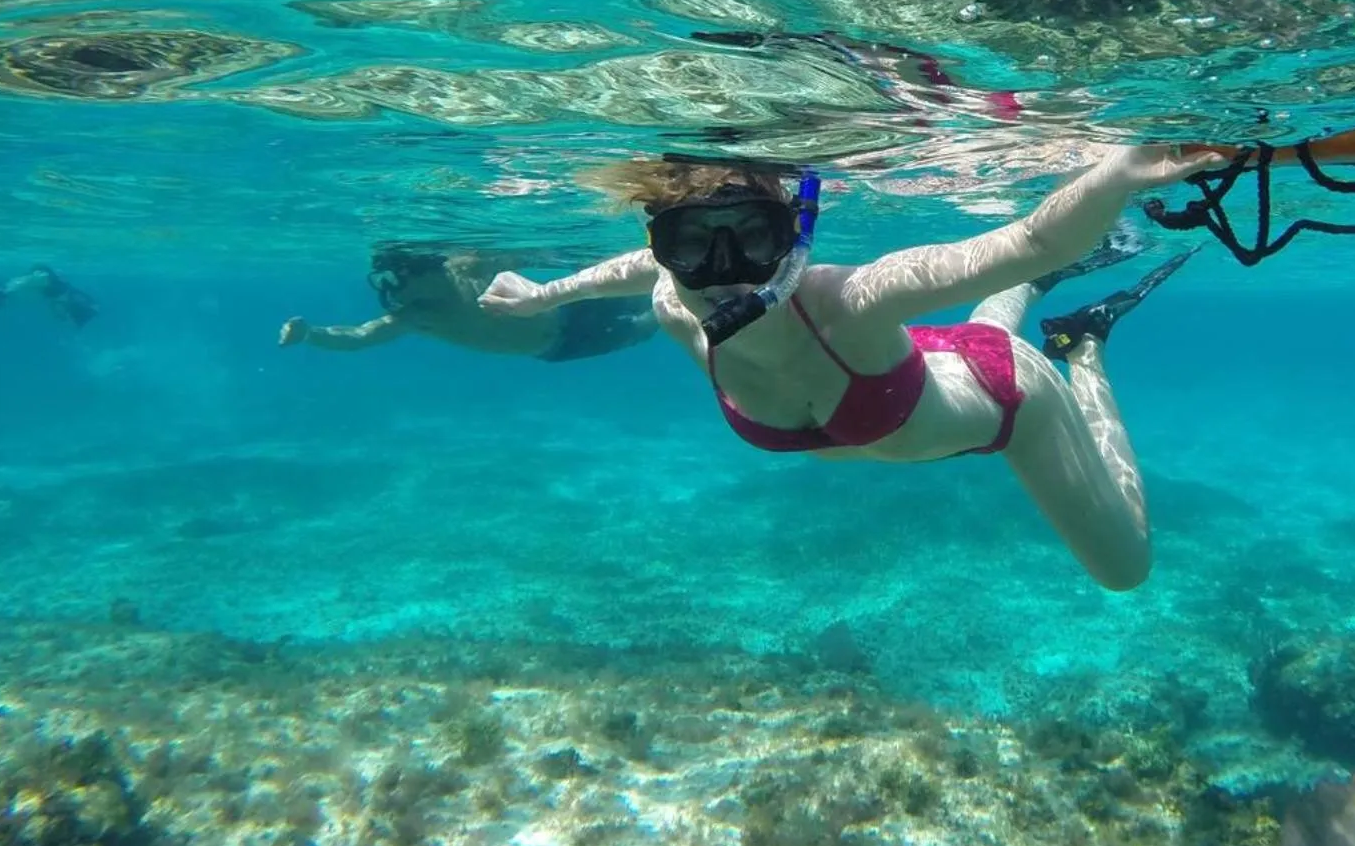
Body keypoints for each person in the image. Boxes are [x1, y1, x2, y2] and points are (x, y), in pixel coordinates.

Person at [478, 145, 1218, 590]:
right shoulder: (674, 299)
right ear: (665, 245)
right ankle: (1022, 307)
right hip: (922, 371)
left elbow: (1028, 238)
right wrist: (546, 292)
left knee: (1127, 572)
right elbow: (637, 268)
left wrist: (1116, 175)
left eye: (754, 242)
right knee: (970, 333)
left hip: (1009, 397)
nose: (726, 274)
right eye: (694, 244)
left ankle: (1084, 347)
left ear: (793, 240)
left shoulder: (851, 300)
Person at [279, 245, 657, 362]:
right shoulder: (419, 315)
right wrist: (309, 334)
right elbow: (359, 337)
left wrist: (579, 256)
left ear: (430, 271)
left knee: (655, 290)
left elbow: (527, 255)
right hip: (561, 344)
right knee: (646, 325)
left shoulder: (468, 266)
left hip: (569, 309)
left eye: (405, 279)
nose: (400, 292)